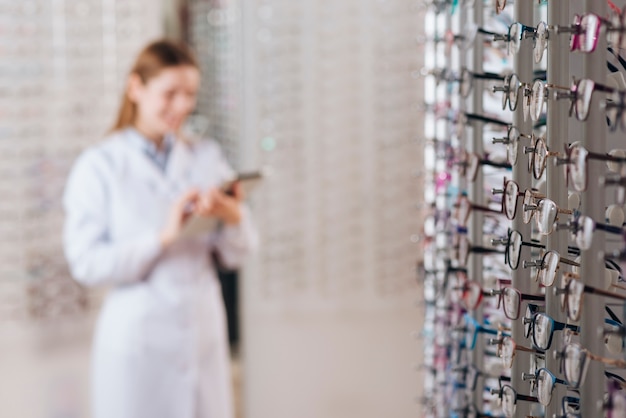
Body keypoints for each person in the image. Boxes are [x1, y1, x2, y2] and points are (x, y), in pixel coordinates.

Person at [62, 39, 258, 418]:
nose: (182, 106)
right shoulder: (99, 165)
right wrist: (163, 237)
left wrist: (233, 218)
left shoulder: (205, 156)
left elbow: (239, 254)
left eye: (190, 95)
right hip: (138, 341)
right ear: (136, 88)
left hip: (201, 334)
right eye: (170, 93)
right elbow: (86, 264)